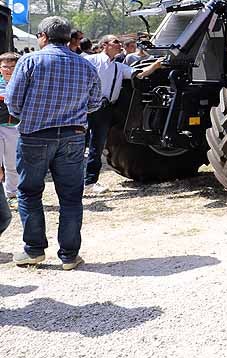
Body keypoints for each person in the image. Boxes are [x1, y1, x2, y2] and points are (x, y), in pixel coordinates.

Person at [6, 16, 102, 269]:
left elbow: (13, 103)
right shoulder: (85, 65)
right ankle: (69, 256)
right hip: (73, 137)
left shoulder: (30, 60)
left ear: (43, 37)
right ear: (68, 37)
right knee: (71, 197)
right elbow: (95, 103)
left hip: (35, 136)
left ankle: (34, 250)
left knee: (29, 193)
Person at [83, 35, 134, 194]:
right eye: (116, 42)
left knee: (97, 146)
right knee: (77, 145)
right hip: (86, 107)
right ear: (105, 45)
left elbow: (138, 73)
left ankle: (90, 182)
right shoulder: (90, 60)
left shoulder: (119, 66)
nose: (120, 45)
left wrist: (156, 64)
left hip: (105, 110)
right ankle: (73, 182)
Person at [0, 52, 22, 205]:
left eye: (12, 67)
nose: (8, 70)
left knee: (12, 163)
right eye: (5, 66)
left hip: (15, 127)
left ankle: (12, 193)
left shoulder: (22, 82)